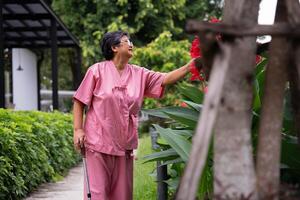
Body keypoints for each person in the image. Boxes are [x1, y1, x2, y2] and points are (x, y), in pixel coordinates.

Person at [73, 30, 195, 200]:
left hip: (124, 146)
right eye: (126, 41)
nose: (131, 44)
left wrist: (190, 66)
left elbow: (165, 78)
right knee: (97, 194)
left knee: (122, 195)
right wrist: (78, 130)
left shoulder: (140, 74)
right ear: (114, 47)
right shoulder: (96, 71)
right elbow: (79, 101)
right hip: (97, 144)